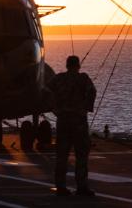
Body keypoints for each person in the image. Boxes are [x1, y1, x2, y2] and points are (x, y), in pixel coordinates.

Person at [45, 55, 97, 197]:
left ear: (67, 65)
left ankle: (60, 186)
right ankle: (81, 186)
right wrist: (86, 108)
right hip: (79, 121)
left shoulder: (59, 78)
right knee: (81, 155)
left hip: (63, 120)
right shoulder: (83, 78)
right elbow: (92, 91)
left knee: (62, 155)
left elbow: (45, 90)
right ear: (78, 65)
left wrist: (54, 108)